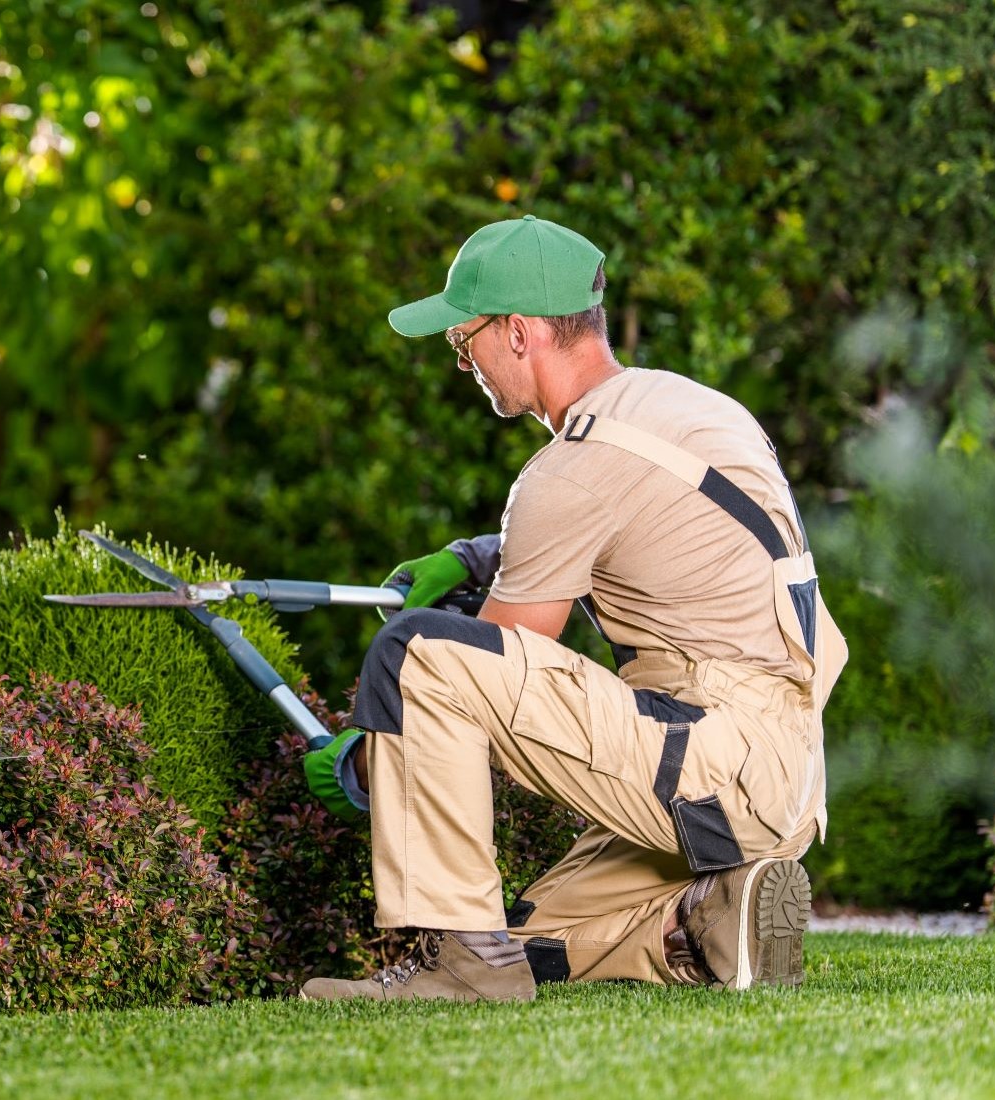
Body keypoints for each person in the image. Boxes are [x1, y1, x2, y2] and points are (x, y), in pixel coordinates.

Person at [299, 215, 846, 1003]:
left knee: (417, 654)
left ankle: (466, 972)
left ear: (519, 333)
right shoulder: (684, 408)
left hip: (713, 764)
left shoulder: (572, 467)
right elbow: (646, 531)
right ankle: (702, 920)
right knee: (524, 936)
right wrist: (479, 555)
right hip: (778, 776)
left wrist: (363, 760)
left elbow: (488, 676)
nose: (462, 358)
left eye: (465, 337)